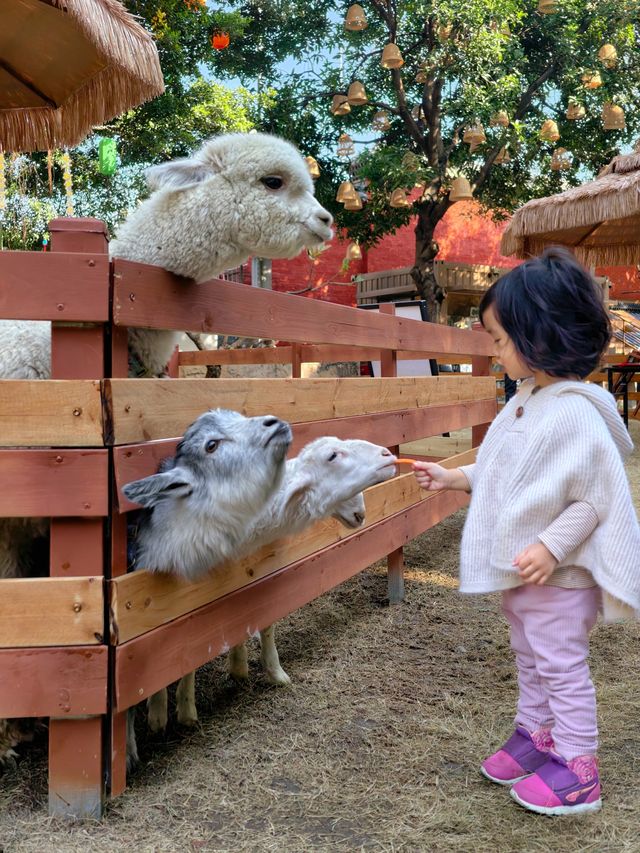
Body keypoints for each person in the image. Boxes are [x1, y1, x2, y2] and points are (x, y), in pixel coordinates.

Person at [412, 247, 640, 816]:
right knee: (530, 654)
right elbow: (502, 470)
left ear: (538, 336)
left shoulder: (572, 413)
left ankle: (578, 764)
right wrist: (453, 476)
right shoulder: (531, 401)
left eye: (498, 338)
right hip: (528, 572)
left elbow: (595, 497)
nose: (493, 350)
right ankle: (537, 735)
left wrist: (551, 545)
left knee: (559, 664)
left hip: (558, 577)